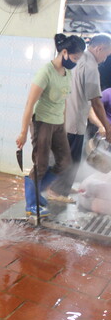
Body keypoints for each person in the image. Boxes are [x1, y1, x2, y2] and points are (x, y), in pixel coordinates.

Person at [16, 34, 86, 217]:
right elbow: (30, 104)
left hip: (58, 124)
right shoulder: (45, 72)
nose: (76, 62)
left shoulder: (67, 72)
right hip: (42, 123)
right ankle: (32, 203)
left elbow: (63, 101)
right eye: (74, 58)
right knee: (41, 164)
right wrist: (23, 132)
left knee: (64, 162)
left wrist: (63, 124)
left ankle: (37, 191)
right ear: (64, 52)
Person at [48, 34, 111, 202]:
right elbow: (96, 102)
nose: (105, 59)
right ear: (99, 48)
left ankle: (63, 188)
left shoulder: (78, 60)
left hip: (65, 116)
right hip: (74, 120)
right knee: (70, 158)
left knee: (68, 156)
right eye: (106, 54)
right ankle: (57, 192)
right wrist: (107, 126)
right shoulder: (90, 66)